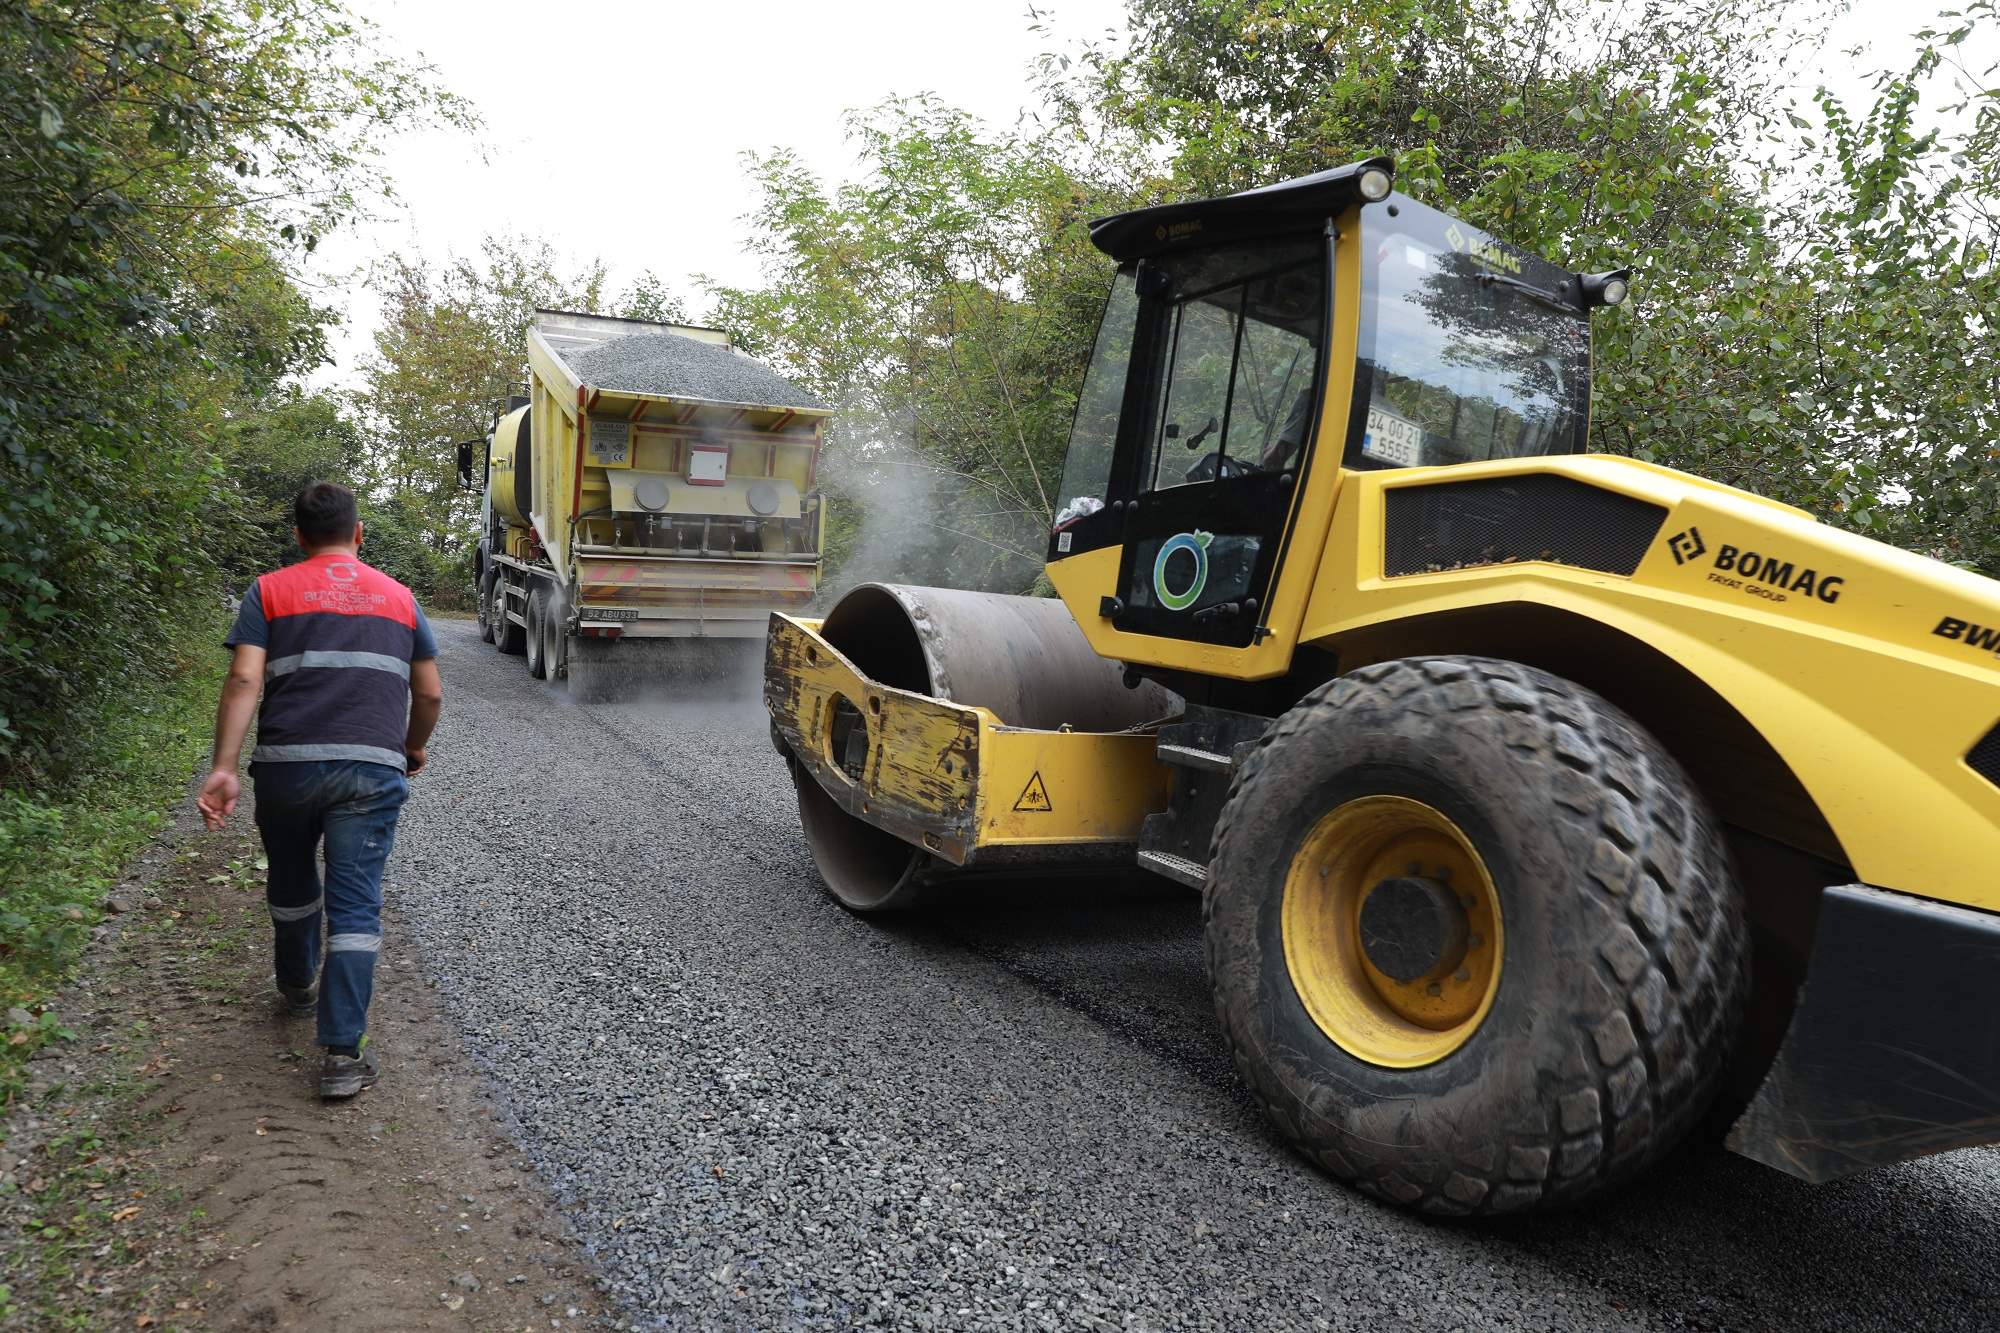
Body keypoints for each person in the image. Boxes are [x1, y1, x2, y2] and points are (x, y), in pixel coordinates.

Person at [195, 482, 443, 1099]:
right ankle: (340, 1055)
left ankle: (297, 981)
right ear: (359, 534)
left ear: (299, 538)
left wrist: (224, 766)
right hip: (370, 769)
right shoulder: (401, 598)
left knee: (292, 877)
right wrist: (411, 746)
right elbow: (431, 693)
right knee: (356, 907)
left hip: (285, 767)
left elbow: (245, 676)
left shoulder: (270, 590)